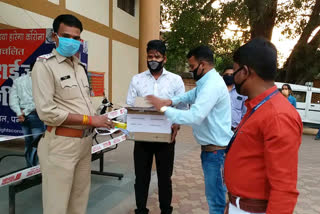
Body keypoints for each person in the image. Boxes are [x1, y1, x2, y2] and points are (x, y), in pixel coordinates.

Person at [32, 14, 114, 214]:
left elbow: (80, 104)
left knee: (78, 202)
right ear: (54, 36)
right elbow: (47, 112)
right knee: (57, 205)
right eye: (66, 35)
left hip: (84, 144)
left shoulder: (79, 67)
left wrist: (100, 119)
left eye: (76, 38)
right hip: (61, 145)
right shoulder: (44, 66)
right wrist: (90, 119)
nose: (72, 41)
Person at [147, 45, 233, 214]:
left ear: (203, 65)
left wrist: (163, 109)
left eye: (193, 67)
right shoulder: (206, 82)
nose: (191, 70)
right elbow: (190, 95)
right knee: (215, 196)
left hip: (216, 152)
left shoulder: (212, 85)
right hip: (212, 151)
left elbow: (194, 116)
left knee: (216, 200)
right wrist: (169, 101)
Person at [224, 38, 302, 214]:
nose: (231, 77)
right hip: (239, 205)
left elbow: (284, 189)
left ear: (245, 71)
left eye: (234, 71)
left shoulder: (278, 116)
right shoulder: (257, 106)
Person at [127, 40, 185, 214]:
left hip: (166, 137)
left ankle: (166, 210)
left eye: (157, 56)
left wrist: (177, 124)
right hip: (142, 137)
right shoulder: (137, 80)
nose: (153, 59)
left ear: (164, 58)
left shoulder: (175, 80)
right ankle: (141, 209)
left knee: (164, 178)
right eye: (150, 56)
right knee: (141, 177)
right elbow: (129, 105)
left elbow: (182, 107)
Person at [9, 65, 45, 167]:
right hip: (36, 115)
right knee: (37, 144)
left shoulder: (18, 80)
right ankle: (34, 171)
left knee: (28, 143)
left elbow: (13, 100)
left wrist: (19, 113)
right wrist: (25, 112)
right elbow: (39, 101)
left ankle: (28, 169)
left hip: (23, 117)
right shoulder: (41, 82)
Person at [222, 67, 247, 131]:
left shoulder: (241, 91)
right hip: (220, 128)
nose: (229, 76)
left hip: (235, 129)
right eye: (226, 74)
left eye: (231, 75)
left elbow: (245, 112)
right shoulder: (218, 90)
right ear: (223, 76)